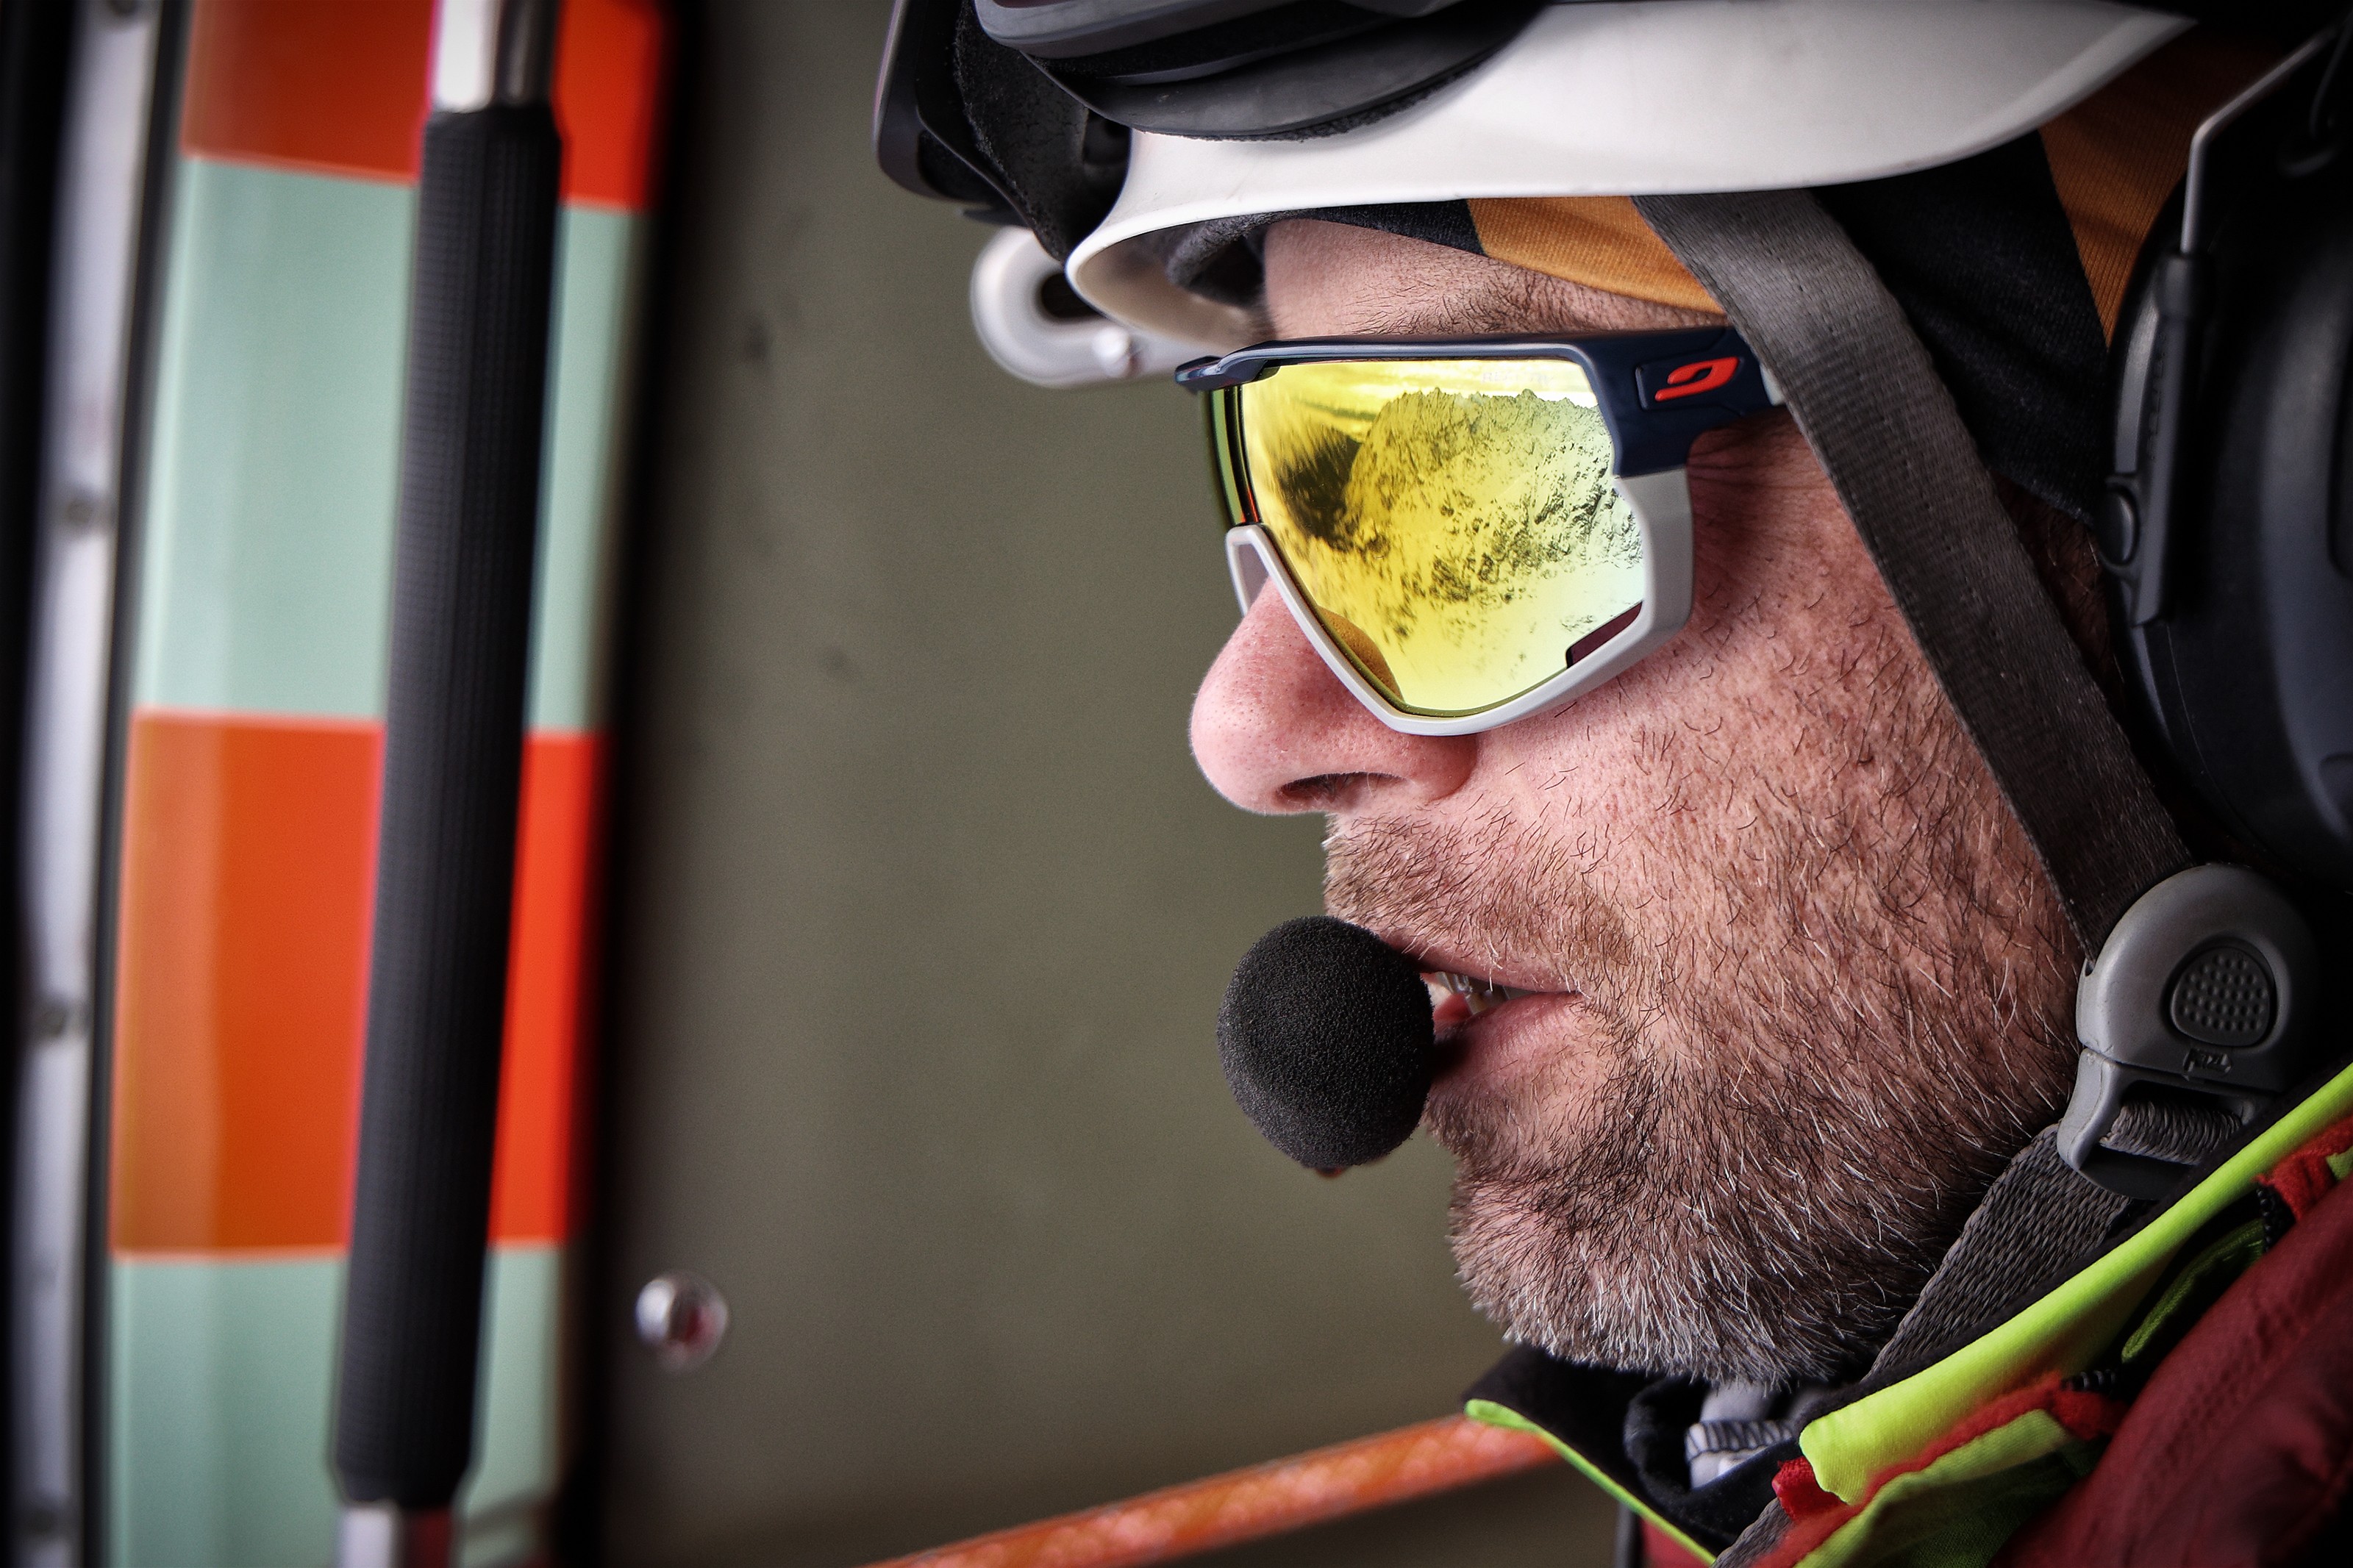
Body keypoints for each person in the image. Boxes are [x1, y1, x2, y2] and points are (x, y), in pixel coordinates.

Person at [877, 4, 2353, 1564]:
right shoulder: (1780, 1446)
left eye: (1472, 494)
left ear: (2272, 547)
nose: (1245, 726)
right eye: (1304, 493)